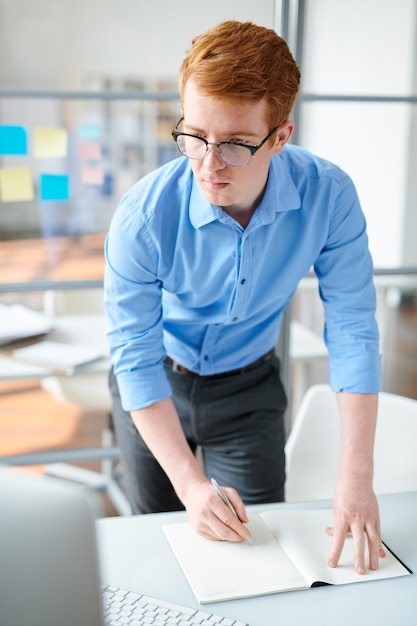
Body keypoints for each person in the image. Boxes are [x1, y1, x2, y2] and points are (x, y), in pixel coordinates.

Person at [104, 20, 385, 575]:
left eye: (234, 143)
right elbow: (133, 357)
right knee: (159, 557)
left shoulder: (329, 197)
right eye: (194, 135)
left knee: (261, 555)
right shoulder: (142, 218)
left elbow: (352, 329)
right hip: (154, 387)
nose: (208, 165)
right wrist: (190, 484)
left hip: (249, 389)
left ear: (280, 137)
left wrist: (357, 478)